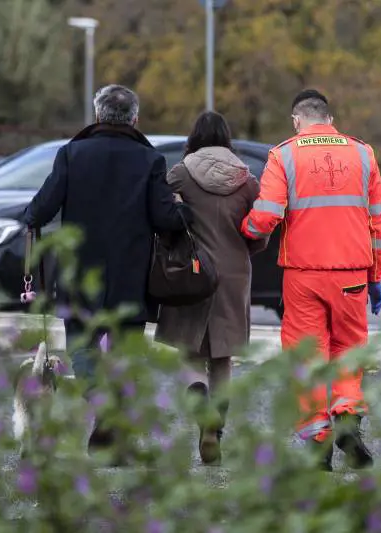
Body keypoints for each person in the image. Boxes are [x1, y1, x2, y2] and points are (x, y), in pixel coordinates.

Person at [23, 84, 189, 463]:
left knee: (82, 348)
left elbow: (42, 209)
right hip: (130, 277)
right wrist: (189, 214)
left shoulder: (72, 154)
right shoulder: (149, 160)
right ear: (135, 120)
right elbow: (166, 217)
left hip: (79, 275)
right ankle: (116, 439)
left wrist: (31, 219)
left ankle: (103, 408)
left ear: (97, 116)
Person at [240, 89, 381, 471]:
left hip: (304, 276)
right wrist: (376, 274)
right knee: (349, 351)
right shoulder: (362, 153)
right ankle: (349, 422)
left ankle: (318, 444)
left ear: (297, 120)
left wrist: (244, 230)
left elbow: (267, 215)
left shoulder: (284, 154)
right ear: (329, 118)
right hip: (353, 275)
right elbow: (379, 219)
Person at [155, 111, 266, 465]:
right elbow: (260, 229)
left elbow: (163, 216)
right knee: (222, 357)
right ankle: (216, 426)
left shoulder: (181, 174)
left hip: (191, 270)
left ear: (194, 137)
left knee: (189, 352)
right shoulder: (247, 180)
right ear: (227, 138)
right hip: (234, 273)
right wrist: (243, 251)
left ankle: (198, 403)